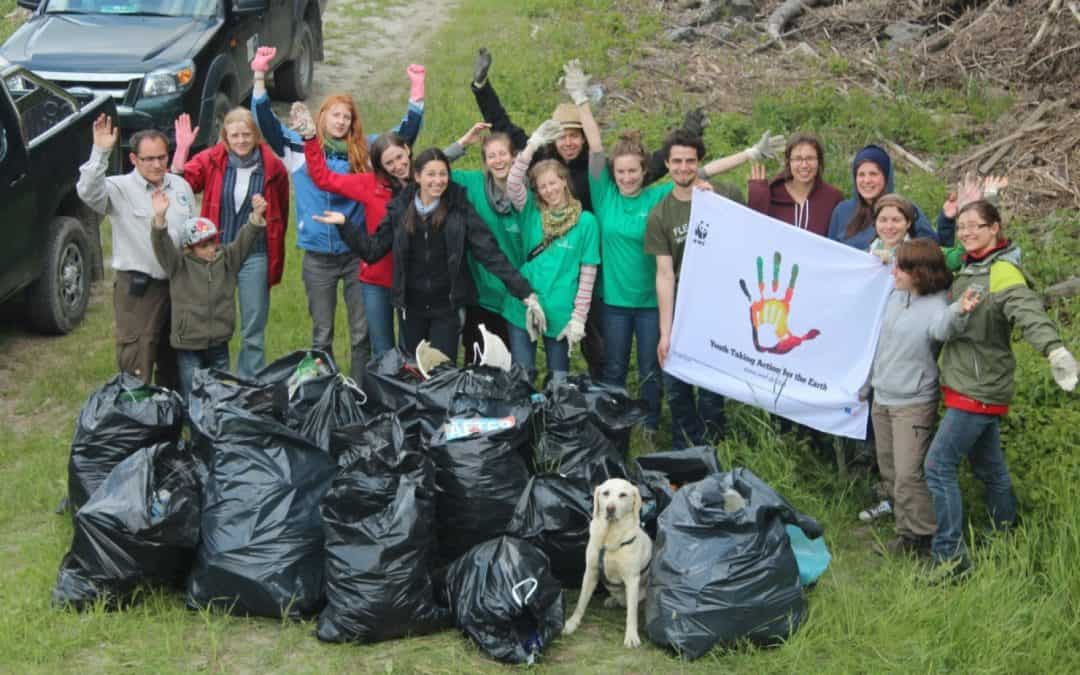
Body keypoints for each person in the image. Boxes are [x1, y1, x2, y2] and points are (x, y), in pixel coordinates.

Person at [564, 59, 780, 436]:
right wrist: (580, 99)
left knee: (651, 368)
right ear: (613, 174)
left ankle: (648, 423)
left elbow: (704, 172)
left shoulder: (659, 196)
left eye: (633, 171)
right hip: (614, 300)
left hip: (652, 303)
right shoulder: (604, 195)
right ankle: (617, 423)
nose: (627, 177)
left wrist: (750, 154)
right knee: (614, 366)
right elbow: (595, 144)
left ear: (644, 171)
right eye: (621, 172)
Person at [249, 47, 425, 375]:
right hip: (317, 257)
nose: (342, 120)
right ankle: (324, 395)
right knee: (322, 333)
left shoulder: (365, 151)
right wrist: (259, 76)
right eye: (336, 114)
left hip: (356, 253)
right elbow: (266, 123)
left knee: (362, 334)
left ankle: (359, 392)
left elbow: (402, 140)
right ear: (323, 116)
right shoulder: (298, 146)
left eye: (347, 116)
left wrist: (417, 92)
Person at [924, 200, 1077, 572]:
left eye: (975, 226)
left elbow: (1027, 311)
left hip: (978, 389)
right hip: (969, 384)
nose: (967, 233)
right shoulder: (969, 266)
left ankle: (950, 556)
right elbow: (929, 255)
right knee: (991, 471)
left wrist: (1055, 350)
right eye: (962, 227)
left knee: (938, 464)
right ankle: (1003, 537)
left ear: (995, 228)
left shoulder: (1002, 270)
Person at [308, 143, 545, 359]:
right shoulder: (401, 207)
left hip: (447, 308)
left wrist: (524, 291)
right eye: (431, 174)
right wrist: (344, 225)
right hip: (411, 309)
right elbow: (372, 250)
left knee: (441, 373)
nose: (438, 181)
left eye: (443, 174)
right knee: (413, 373)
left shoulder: (459, 207)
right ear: (418, 176)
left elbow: (489, 252)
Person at [861, 238, 980, 556]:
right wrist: (868, 384)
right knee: (889, 469)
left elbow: (943, 329)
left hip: (912, 403)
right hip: (883, 397)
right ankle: (906, 529)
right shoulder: (896, 297)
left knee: (909, 474)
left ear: (920, 272)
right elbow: (881, 345)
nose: (894, 271)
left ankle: (922, 538)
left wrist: (960, 311)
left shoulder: (938, 306)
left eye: (901, 267)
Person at [646, 129, 763, 448]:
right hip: (682, 308)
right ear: (668, 165)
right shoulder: (660, 213)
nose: (684, 168)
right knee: (676, 387)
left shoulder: (723, 194)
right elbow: (665, 275)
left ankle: (714, 451)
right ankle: (684, 453)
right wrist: (666, 331)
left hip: (718, 308)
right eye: (677, 162)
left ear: (699, 163)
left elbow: (748, 241)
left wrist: (716, 208)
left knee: (712, 392)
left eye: (690, 161)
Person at [76, 114, 195, 388]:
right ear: (134, 160)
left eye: (162, 157)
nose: (156, 164)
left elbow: (189, 231)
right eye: (148, 159)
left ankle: (172, 417)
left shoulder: (181, 187)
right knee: (136, 359)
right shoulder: (119, 188)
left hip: (178, 286)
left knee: (175, 357)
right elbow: (87, 191)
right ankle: (137, 422)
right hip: (140, 289)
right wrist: (100, 151)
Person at [170, 107, 289, 378]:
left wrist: (267, 218)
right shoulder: (213, 159)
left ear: (256, 135)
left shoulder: (273, 167)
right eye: (235, 135)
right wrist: (181, 151)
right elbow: (182, 182)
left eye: (247, 134)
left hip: (254, 253)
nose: (241, 140)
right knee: (207, 321)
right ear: (225, 136)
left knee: (253, 328)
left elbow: (281, 212)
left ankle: (250, 386)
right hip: (215, 254)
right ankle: (210, 383)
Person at [505, 119, 600, 383]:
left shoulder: (586, 222)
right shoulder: (531, 212)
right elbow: (513, 182)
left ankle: (554, 423)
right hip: (524, 304)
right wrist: (532, 144)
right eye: (543, 186)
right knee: (522, 375)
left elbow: (588, 272)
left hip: (560, 310)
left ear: (564, 182)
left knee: (558, 379)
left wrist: (579, 317)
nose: (549, 190)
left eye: (553, 183)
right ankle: (525, 423)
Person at [150, 191, 267, 403]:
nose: (211, 248)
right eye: (203, 245)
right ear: (188, 248)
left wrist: (256, 216)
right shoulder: (178, 265)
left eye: (213, 241)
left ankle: (217, 423)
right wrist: (159, 218)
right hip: (189, 344)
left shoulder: (227, 260)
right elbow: (161, 245)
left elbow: (245, 240)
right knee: (193, 391)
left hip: (219, 341)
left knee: (219, 391)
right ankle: (193, 425)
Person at [443, 122, 524, 361]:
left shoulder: (527, 192)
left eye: (503, 154)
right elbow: (431, 169)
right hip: (482, 294)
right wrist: (462, 144)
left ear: (513, 157)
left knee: (513, 365)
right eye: (491, 156)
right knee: (478, 362)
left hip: (518, 294)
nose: (498, 161)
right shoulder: (473, 184)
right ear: (485, 161)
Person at [827, 144, 954, 250]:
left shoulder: (904, 208)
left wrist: (946, 221)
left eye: (873, 174)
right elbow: (830, 254)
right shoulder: (842, 211)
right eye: (861, 174)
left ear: (886, 177)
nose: (866, 180)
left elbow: (935, 250)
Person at [747, 134, 843, 236]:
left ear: (819, 162)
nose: (804, 165)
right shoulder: (770, 194)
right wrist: (757, 200)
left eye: (810, 158)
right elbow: (754, 234)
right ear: (789, 162)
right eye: (798, 159)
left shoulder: (833, 198)